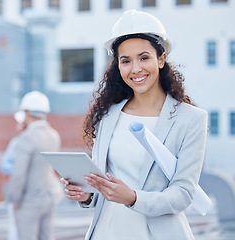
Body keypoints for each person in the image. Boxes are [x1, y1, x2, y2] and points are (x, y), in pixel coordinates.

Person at [60, 9, 208, 240]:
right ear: (118, 66)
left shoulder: (190, 119)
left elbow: (183, 194)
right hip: (105, 232)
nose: (135, 69)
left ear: (161, 59)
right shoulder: (108, 115)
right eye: (126, 61)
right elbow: (103, 185)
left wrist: (132, 198)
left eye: (144, 57)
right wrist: (86, 195)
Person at [6, 91, 64, 240]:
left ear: (26, 112)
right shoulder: (53, 135)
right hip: (50, 196)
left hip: (29, 200)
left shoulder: (26, 138)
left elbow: (19, 174)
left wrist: (14, 199)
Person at [0, 110, 26, 240]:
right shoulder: (16, 142)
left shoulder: (41, 140)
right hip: (18, 191)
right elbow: (3, 166)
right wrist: (19, 169)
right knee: (15, 228)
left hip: (34, 193)